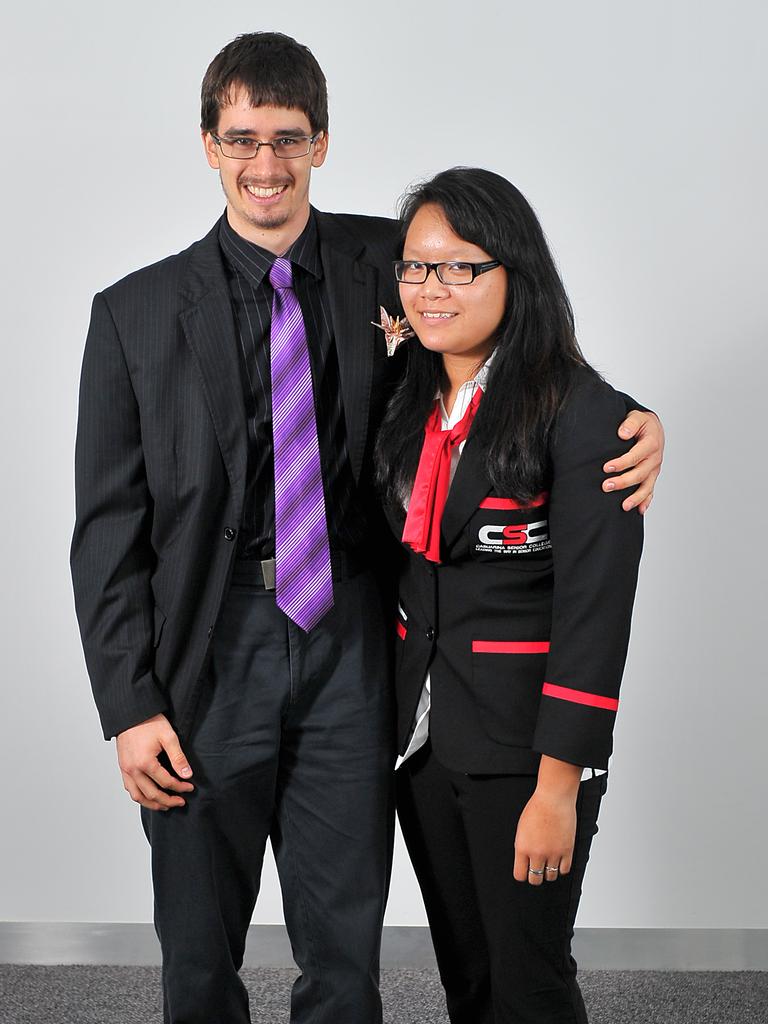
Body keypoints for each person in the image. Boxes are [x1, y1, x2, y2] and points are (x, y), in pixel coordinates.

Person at [70, 33, 663, 1024]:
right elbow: (105, 530)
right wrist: (129, 705)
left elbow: (509, 324)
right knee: (198, 955)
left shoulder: (386, 267)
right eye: (243, 139)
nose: (267, 164)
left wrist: (629, 420)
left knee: (345, 953)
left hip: (353, 642)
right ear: (209, 145)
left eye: (289, 139)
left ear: (324, 143)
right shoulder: (133, 315)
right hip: (206, 652)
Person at [376, 167, 646, 1024]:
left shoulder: (586, 415)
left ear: (514, 273)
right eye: (417, 268)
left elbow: (596, 616)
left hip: (527, 756)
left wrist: (559, 785)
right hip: (422, 742)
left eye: (462, 267)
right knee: (469, 978)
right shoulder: (410, 396)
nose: (433, 288)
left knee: (529, 983)